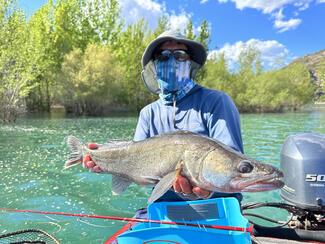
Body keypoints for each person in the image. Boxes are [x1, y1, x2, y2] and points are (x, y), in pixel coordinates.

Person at [83, 30, 244, 202]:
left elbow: (232, 169)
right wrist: (106, 159)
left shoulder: (217, 102)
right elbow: (133, 158)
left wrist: (208, 191)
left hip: (216, 207)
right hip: (163, 207)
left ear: (190, 63)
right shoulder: (147, 113)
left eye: (180, 55)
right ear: (155, 67)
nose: (172, 61)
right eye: (163, 56)